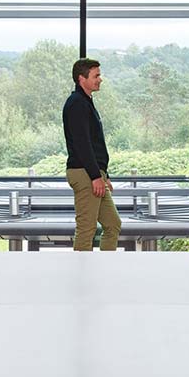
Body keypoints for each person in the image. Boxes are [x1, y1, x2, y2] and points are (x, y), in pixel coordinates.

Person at [63, 58, 121, 251]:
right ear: (82, 78)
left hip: (95, 174)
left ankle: (102, 271)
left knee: (113, 224)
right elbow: (82, 144)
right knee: (87, 230)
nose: (100, 79)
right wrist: (96, 176)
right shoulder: (76, 103)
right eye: (96, 75)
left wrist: (104, 175)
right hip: (85, 173)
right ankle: (82, 279)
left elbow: (95, 144)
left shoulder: (86, 102)